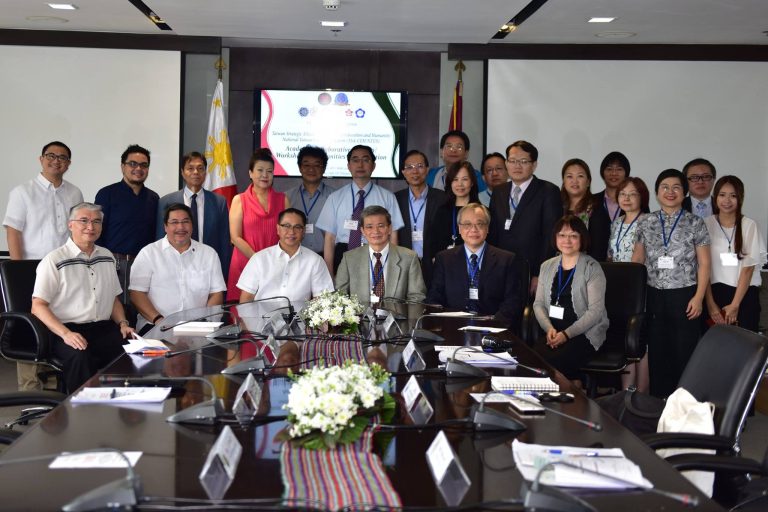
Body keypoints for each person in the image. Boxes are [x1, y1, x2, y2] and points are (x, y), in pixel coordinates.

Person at [3, 141, 84, 391]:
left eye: (62, 158)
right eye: (51, 156)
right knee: (31, 325)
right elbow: (13, 232)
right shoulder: (22, 192)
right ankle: (29, 389)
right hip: (30, 269)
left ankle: (51, 383)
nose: (56, 161)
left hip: (65, 269)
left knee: (59, 321)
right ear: (41, 159)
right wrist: (19, 270)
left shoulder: (75, 193)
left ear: (68, 164)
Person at [30, 202, 133, 393]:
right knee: (80, 356)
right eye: (83, 221)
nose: (90, 227)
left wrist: (123, 323)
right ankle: (80, 413)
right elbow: (38, 306)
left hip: (101, 327)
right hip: (65, 329)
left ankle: (121, 408)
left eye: (96, 222)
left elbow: (114, 299)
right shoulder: (54, 260)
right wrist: (66, 334)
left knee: (132, 351)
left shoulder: (106, 256)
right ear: (70, 224)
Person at [633, 169, 710, 398]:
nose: (670, 191)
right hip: (654, 294)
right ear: (657, 192)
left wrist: (698, 297)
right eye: (664, 186)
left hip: (685, 295)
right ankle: (659, 403)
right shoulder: (645, 222)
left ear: (684, 192)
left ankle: (684, 402)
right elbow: (637, 260)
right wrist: (637, 299)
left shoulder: (695, 222)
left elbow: (704, 264)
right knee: (657, 351)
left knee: (684, 351)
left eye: (676, 187)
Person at [533, 216, 608, 381]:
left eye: (573, 236)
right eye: (562, 235)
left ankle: (570, 399)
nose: (567, 240)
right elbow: (538, 304)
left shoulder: (592, 268)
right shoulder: (547, 266)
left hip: (584, 333)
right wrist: (549, 329)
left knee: (555, 362)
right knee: (533, 359)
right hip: (553, 332)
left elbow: (595, 312)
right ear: (555, 238)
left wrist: (566, 335)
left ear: (582, 239)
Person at [131, 203, 226, 334]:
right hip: (156, 325)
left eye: (185, 222)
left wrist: (206, 322)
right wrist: (160, 321)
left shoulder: (209, 254)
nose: (180, 227)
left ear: (192, 225)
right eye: (174, 222)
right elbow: (136, 294)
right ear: (165, 226)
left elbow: (217, 293)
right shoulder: (149, 253)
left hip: (198, 328)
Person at [428, 203, 524, 331]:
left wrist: (494, 325)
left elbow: (512, 301)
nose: (473, 229)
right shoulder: (444, 259)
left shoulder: (507, 260)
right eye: (467, 224)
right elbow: (435, 297)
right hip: (453, 328)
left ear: (488, 228)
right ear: (459, 229)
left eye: (480, 224)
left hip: (493, 328)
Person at [488, 140, 562, 296]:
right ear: (506, 163)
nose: (517, 166)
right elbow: (493, 233)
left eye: (523, 161)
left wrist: (539, 274)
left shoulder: (548, 191)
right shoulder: (499, 192)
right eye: (513, 161)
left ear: (534, 165)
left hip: (530, 271)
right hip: (501, 270)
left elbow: (550, 236)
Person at [316, 145, 403, 275]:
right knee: (344, 294)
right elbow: (329, 239)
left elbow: (393, 235)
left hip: (377, 253)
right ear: (349, 166)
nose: (360, 165)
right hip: (343, 253)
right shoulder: (335, 198)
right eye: (355, 160)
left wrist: (390, 270)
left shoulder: (387, 197)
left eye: (365, 160)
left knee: (374, 294)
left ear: (373, 166)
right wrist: (329, 273)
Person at [95, 144, 159, 308]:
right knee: (115, 310)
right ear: (123, 166)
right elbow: (98, 233)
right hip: (114, 263)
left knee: (143, 310)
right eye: (133, 164)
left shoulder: (154, 198)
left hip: (145, 264)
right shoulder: (106, 194)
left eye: (144, 165)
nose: (138, 168)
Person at [226, 148, 290, 301]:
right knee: (243, 316)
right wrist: (259, 260)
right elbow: (235, 238)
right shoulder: (239, 200)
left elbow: (288, 234)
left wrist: (270, 263)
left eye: (269, 171)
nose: (265, 175)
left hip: (275, 265)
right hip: (245, 263)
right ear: (250, 173)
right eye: (260, 170)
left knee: (275, 313)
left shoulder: (283, 199)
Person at [607, 177, 651, 392]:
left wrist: (625, 286)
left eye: (632, 194)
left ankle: (640, 394)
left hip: (638, 289)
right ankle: (626, 392)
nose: (627, 198)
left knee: (639, 342)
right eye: (623, 193)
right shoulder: (617, 222)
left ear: (642, 197)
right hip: (619, 288)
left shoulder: (648, 221)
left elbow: (638, 259)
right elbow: (611, 256)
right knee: (625, 340)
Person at [704, 176, 764, 332]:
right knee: (714, 347)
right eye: (722, 195)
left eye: (733, 195)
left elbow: (748, 269)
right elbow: (702, 267)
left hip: (744, 296)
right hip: (714, 294)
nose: (727, 200)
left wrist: (735, 305)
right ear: (715, 197)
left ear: (740, 198)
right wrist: (711, 305)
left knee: (744, 348)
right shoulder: (705, 224)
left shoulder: (749, 225)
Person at [156, 152, 231, 278]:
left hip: (207, 268)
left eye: (200, 168)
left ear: (205, 173)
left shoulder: (219, 202)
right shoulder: (166, 202)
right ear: (182, 172)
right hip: (173, 268)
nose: (195, 172)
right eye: (190, 168)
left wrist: (223, 275)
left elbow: (224, 244)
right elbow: (160, 240)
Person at [238, 208, 333, 306]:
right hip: (262, 319)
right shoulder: (259, 259)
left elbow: (321, 299)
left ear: (303, 231)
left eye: (297, 227)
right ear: (278, 229)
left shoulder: (315, 261)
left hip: (299, 320)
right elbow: (246, 298)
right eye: (286, 226)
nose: (291, 232)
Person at [336, 205, 426, 304]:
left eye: (381, 226)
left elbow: (417, 297)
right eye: (369, 227)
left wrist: (400, 318)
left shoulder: (409, 257)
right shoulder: (349, 258)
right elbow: (340, 297)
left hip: (397, 318)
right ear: (362, 231)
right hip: (360, 318)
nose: (375, 231)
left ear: (389, 229)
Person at [394, 150, 446, 288]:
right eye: (409, 167)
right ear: (403, 172)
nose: (415, 171)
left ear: (427, 169)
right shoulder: (396, 199)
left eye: (419, 166)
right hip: (404, 264)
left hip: (434, 263)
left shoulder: (442, 198)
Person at [284, 146, 335, 257]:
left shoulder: (334, 197)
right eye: (306, 165)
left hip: (325, 257)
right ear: (300, 167)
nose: (311, 169)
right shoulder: (287, 197)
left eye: (317, 165)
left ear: (324, 168)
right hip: (294, 255)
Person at [560, 158, 610, 261]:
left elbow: (599, 250)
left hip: (586, 271)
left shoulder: (596, 210)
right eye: (569, 176)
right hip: (556, 269)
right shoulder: (555, 207)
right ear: (564, 182)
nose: (574, 181)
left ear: (588, 182)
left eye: (580, 176)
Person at [431, 160, 481, 253]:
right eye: (455, 179)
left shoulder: (482, 212)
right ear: (450, 183)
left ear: (472, 182)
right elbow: (433, 245)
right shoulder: (442, 212)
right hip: (446, 264)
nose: (460, 184)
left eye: (465, 179)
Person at [593, 151, 630, 224]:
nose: (614, 173)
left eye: (619, 169)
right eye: (609, 169)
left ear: (626, 173)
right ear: (602, 173)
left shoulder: (636, 202)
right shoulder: (591, 201)